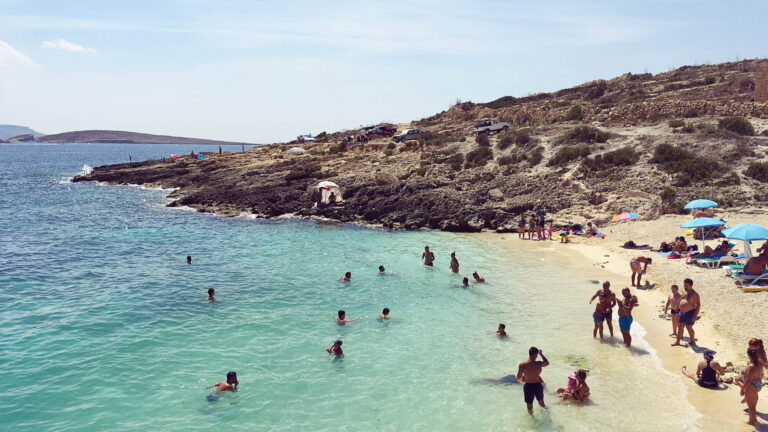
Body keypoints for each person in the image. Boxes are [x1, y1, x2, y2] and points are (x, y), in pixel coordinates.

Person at [516, 347, 549, 415]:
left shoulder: (522, 364)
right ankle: (548, 414)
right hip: (537, 386)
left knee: (529, 407)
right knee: (541, 403)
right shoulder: (538, 364)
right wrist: (541, 354)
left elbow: (518, 377)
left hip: (528, 387)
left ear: (529, 354)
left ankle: (532, 420)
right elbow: (547, 363)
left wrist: (524, 376)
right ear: (536, 354)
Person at [672, 278, 701, 347]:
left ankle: (692, 341)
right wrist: (677, 307)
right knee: (680, 326)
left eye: (687, 286)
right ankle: (678, 341)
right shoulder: (684, 292)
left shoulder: (695, 295)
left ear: (691, 285)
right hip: (682, 312)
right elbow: (680, 299)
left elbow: (698, 305)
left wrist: (695, 316)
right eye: (684, 285)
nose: (685, 287)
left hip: (690, 312)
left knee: (689, 327)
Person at [741, 348, 764, 426]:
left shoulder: (751, 366)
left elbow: (748, 381)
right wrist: (757, 378)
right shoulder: (760, 362)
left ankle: (751, 422)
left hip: (751, 386)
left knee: (751, 406)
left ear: (748, 355)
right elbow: (762, 374)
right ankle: (754, 418)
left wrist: (742, 389)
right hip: (758, 384)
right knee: (753, 404)